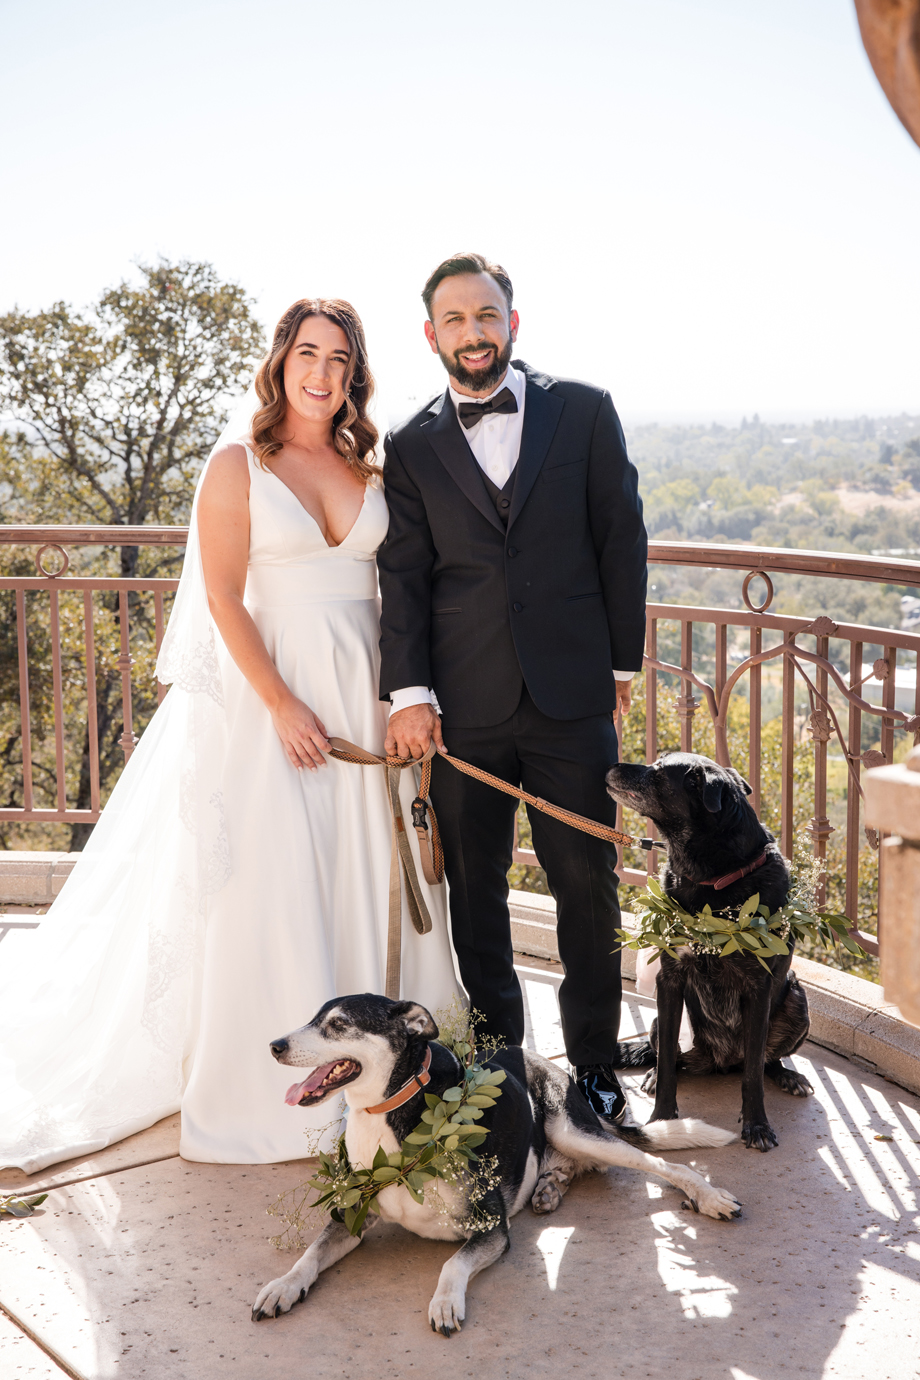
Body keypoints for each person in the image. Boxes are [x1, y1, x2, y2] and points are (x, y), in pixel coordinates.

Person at [0, 297, 460, 1175]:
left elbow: (405, 584)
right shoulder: (236, 465)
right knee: (276, 880)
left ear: (355, 375)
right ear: (281, 362)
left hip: (365, 699)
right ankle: (278, 1089)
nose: (322, 373)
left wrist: (407, 696)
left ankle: (384, 1073)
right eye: (307, 354)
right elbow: (220, 597)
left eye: (339, 359)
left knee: (366, 869)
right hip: (273, 702)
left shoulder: (371, 466)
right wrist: (282, 704)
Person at [378, 253, 647, 1125]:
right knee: (476, 894)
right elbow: (405, 575)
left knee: (587, 883)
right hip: (463, 707)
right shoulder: (409, 444)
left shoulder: (585, 411)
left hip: (572, 698)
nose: (473, 333)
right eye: (455, 320)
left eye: (486, 315)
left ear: (512, 323)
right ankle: (501, 1069)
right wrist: (409, 693)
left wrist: (620, 668)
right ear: (431, 335)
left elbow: (621, 537)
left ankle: (596, 1065)